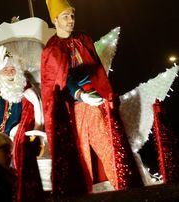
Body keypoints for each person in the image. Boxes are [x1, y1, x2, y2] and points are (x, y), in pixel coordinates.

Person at [41, 0, 143, 195]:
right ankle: (81, 194)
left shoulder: (83, 39)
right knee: (80, 155)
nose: (71, 20)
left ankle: (127, 188)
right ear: (55, 20)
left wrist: (102, 94)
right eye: (65, 17)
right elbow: (58, 81)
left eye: (72, 15)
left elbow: (96, 70)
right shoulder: (51, 49)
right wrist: (80, 93)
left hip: (94, 104)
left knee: (109, 145)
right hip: (73, 110)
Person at [0, 45, 45, 201]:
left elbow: (33, 116)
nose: (9, 70)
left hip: (12, 144)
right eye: (4, 68)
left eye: (12, 67)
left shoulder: (26, 91)